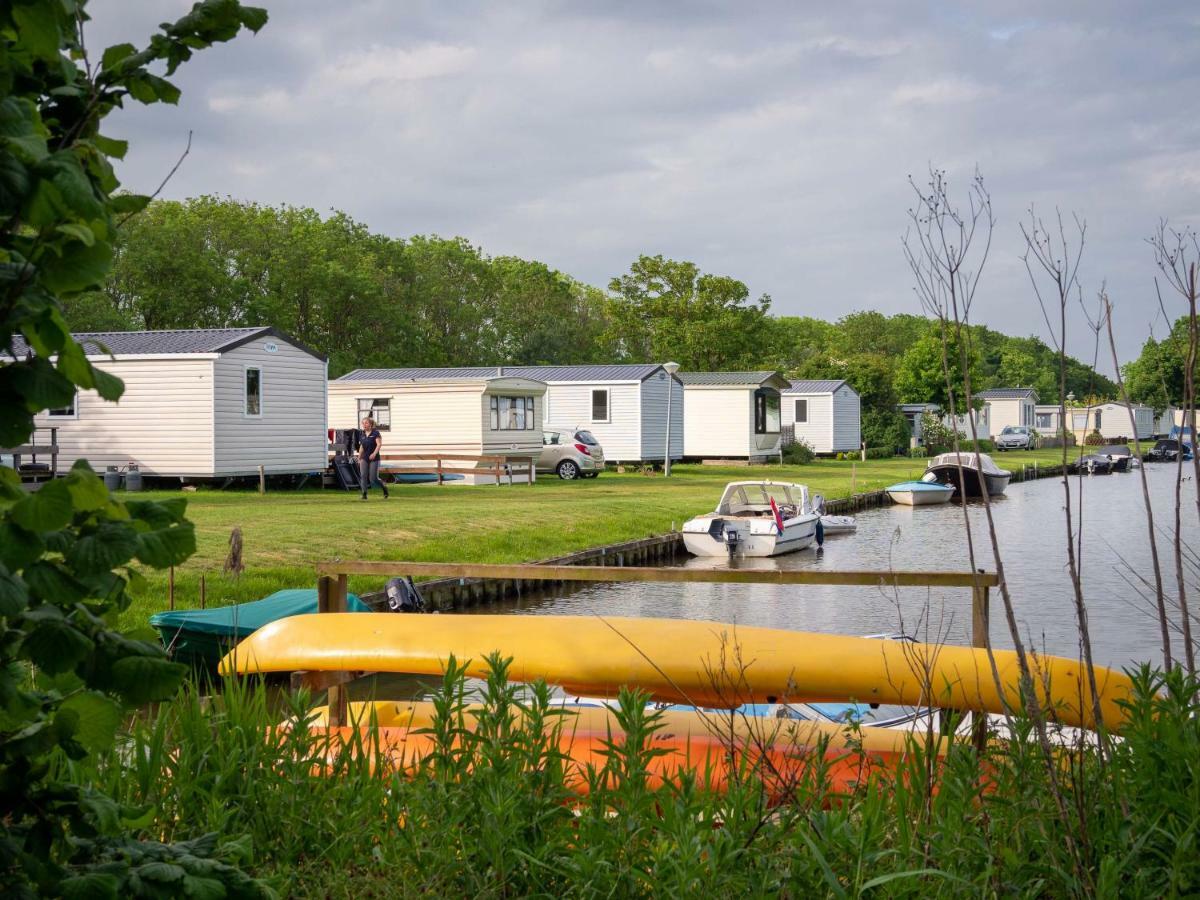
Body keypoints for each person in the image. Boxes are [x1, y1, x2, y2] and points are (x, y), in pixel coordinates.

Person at [357, 417, 389, 500]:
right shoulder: (362, 434)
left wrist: (374, 454)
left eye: (366, 423)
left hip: (374, 458)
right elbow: (362, 446)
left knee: (373, 478)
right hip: (364, 458)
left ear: (371, 425)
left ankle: (384, 488)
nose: (364, 425)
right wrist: (359, 457)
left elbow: (379, 444)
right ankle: (364, 494)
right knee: (363, 475)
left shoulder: (376, 433)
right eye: (363, 423)